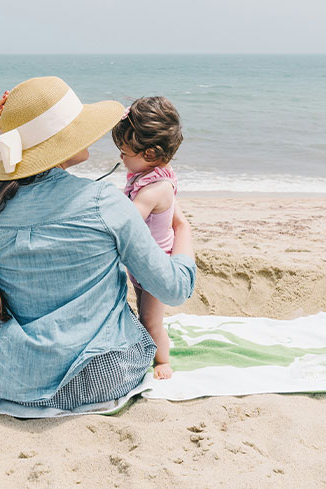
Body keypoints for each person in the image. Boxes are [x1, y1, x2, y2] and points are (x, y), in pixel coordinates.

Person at [0, 76, 195, 412]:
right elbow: (174, 289)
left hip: (7, 372)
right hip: (98, 377)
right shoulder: (104, 203)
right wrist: (183, 228)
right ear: (58, 143)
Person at [111, 97, 183, 380]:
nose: (120, 157)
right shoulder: (147, 175)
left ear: (150, 154)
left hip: (155, 269)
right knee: (144, 312)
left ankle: (162, 360)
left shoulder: (154, 190)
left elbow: (128, 219)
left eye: (125, 152)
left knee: (151, 321)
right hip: (142, 267)